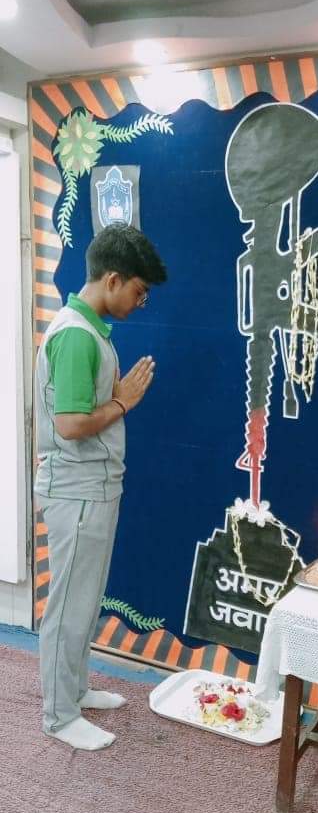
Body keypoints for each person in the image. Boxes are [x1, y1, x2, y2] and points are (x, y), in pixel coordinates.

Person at [35, 223, 167, 751]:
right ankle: (58, 715)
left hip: (96, 488)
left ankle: (75, 690)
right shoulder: (75, 335)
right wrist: (122, 403)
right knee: (68, 604)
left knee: (85, 600)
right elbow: (69, 425)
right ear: (112, 280)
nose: (140, 302)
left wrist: (113, 401)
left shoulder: (92, 332)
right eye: (139, 291)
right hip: (76, 491)